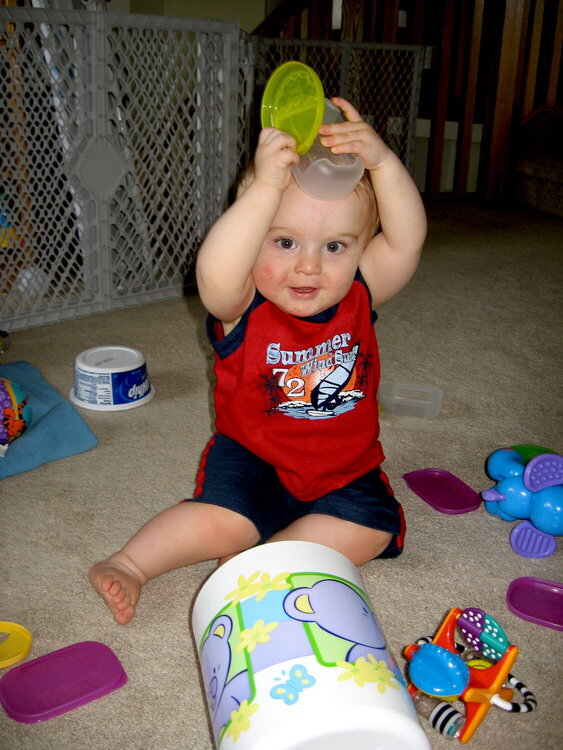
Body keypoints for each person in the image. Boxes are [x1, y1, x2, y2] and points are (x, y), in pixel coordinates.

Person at [90, 97, 427, 625]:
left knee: (371, 527)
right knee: (221, 520)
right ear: (253, 243)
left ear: (361, 250)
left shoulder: (361, 292)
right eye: (285, 241)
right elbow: (215, 270)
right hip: (252, 457)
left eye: (336, 246)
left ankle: (263, 560)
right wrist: (266, 187)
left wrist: (384, 164)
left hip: (344, 468)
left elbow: (407, 241)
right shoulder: (239, 303)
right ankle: (133, 561)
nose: (309, 266)